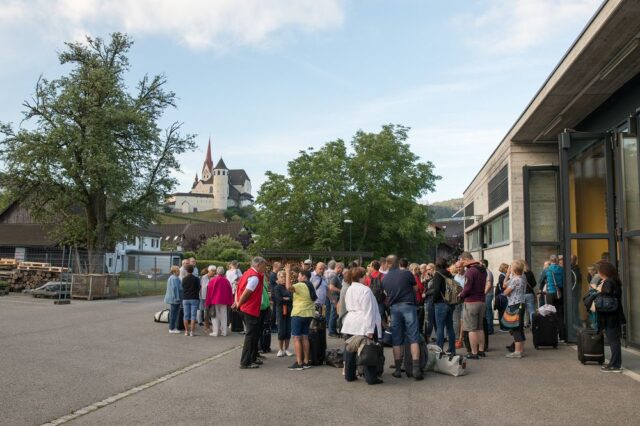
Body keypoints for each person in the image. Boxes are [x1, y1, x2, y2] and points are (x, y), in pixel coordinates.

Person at [382, 255, 423, 380]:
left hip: (394, 309)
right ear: (397, 263)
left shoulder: (384, 278)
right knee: (413, 337)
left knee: (397, 339)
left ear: (387, 264)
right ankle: (415, 369)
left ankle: (398, 369)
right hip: (408, 306)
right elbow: (416, 288)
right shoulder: (406, 274)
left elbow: (386, 294)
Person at [341, 266, 383, 385]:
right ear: (360, 278)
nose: (366, 278)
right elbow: (368, 311)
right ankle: (370, 377)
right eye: (364, 276)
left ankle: (349, 375)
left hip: (350, 322)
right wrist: (370, 329)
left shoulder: (349, 289)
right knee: (368, 350)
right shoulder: (365, 290)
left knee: (350, 350)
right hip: (362, 323)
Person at [232, 257, 267, 369]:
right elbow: (246, 292)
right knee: (251, 336)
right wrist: (238, 304)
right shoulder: (254, 277)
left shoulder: (248, 273)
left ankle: (251, 358)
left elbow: (239, 289)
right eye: (264, 265)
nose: (265, 268)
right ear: (259, 265)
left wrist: (237, 302)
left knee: (252, 335)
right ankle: (245, 362)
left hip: (247, 308)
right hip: (249, 309)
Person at [594, 261, 625, 373]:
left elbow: (605, 297)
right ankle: (614, 363)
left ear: (603, 271)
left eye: (599, 271)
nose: (598, 273)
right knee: (614, 340)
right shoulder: (614, 280)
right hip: (614, 315)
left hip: (611, 316)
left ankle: (615, 365)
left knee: (613, 341)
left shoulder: (608, 282)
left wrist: (598, 290)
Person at [285, 264, 316, 370]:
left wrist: (288, 272)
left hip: (299, 313)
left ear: (303, 276)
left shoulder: (301, 285)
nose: (298, 277)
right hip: (309, 314)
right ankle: (306, 361)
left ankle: (299, 362)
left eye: (299, 276)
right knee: (305, 337)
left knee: (296, 338)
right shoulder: (310, 285)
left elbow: (289, 288)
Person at [459, 252, 487, 359]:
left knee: (471, 329)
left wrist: (461, 295)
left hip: (471, 302)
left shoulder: (470, 271)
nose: (462, 264)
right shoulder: (482, 269)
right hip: (481, 301)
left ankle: (474, 352)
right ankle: (481, 350)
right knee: (480, 327)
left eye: (462, 261)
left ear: (466, 259)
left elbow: (467, 288)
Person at [431, 257, 456, 355]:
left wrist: (434, 300)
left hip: (440, 303)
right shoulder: (449, 273)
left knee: (440, 327)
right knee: (450, 327)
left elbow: (436, 290)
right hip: (450, 303)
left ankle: (439, 350)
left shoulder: (438, 274)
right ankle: (452, 349)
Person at [502, 260, 527, 358]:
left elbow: (505, 291)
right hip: (521, 303)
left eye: (511, 267)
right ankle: (520, 350)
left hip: (514, 304)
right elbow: (505, 284)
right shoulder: (522, 278)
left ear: (514, 269)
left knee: (515, 328)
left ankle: (517, 351)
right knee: (519, 327)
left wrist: (508, 275)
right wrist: (508, 274)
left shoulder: (515, 280)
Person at [206, 266, 233, 337]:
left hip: (214, 301)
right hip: (224, 301)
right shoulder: (226, 281)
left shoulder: (213, 280)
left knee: (215, 316)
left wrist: (208, 301)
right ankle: (224, 332)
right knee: (224, 316)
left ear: (217, 272)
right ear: (223, 272)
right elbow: (230, 291)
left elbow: (209, 292)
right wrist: (231, 301)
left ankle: (216, 332)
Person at [543, 254, 565, 341]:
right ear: (556, 261)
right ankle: (562, 336)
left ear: (550, 260)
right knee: (560, 315)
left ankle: (552, 336)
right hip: (559, 293)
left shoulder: (547, 270)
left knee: (551, 314)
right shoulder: (562, 269)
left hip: (550, 293)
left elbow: (541, 280)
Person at [273, 270, 293, 357]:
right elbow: (278, 299)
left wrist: (285, 298)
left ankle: (287, 349)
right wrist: (286, 298)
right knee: (281, 330)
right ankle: (280, 349)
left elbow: (292, 298)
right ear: (278, 278)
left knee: (288, 330)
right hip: (280, 311)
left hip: (289, 311)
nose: (283, 278)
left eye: (285, 276)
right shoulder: (276, 288)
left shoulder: (289, 287)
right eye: (281, 277)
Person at [181, 264, 201, 336]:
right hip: (194, 298)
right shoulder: (196, 279)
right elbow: (199, 288)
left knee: (186, 316)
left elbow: (183, 287)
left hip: (186, 298)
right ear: (193, 270)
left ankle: (186, 331)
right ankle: (192, 332)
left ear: (186, 270)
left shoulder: (184, 279)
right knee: (193, 316)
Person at [164, 265, 182, 334]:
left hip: (173, 299)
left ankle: (173, 327)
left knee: (173, 313)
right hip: (175, 299)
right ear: (174, 271)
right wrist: (177, 298)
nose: (179, 272)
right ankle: (172, 328)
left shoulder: (172, 278)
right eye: (178, 271)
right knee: (174, 314)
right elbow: (175, 289)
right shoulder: (175, 279)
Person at [327, 262, 344, 337]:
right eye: (342, 269)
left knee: (334, 314)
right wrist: (341, 291)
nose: (342, 271)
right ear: (338, 267)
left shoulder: (334, 275)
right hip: (334, 298)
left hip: (334, 297)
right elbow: (331, 287)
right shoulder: (334, 276)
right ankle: (332, 331)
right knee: (333, 314)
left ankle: (333, 331)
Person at [199, 265, 216, 332]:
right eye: (212, 271)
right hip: (205, 297)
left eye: (215, 271)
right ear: (209, 271)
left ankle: (213, 326)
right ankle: (207, 327)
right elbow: (201, 286)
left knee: (213, 312)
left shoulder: (215, 277)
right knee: (206, 312)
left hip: (213, 297)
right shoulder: (203, 277)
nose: (214, 272)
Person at [411, 263, 425, 337]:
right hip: (418, 299)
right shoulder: (415, 277)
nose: (418, 270)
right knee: (419, 319)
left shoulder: (411, 276)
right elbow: (419, 288)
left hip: (414, 299)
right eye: (417, 269)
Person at [452, 261, 466, 341]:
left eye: (460, 267)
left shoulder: (467, 275)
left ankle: (461, 337)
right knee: (456, 319)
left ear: (463, 266)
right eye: (457, 267)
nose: (458, 269)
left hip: (465, 299)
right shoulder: (456, 276)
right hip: (457, 300)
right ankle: (457, 338)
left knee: (463, 319)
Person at [423, 263, 436, 340]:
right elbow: (426, 288)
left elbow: (434, 289)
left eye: (429, 269)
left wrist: (426, 293)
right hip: (429, 300)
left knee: (431, 319)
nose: (427, 271)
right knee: (430, 319)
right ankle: (429, 336)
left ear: (433, 268)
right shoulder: (430, 277)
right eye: (427, 269)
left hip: (432, 300)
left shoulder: (435, 277)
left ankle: (427, 336)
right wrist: (426, 281)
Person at [522, 261, 537, 327]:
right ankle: (533, 324)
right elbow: (534, 283)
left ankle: (525, 323)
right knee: (531, 310)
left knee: (523, 310)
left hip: (521, 294)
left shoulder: (519, 273)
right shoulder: (530, 273)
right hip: (529, 293)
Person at [495, 263, 509, 332]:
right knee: (502, 312)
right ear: (504, 269)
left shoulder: (503, 276)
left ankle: (504, 327)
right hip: (502, 296)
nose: (508, 269)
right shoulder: (502, 276)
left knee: (503, 311)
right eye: (507, 268)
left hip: (503, 296)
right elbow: (504, 286)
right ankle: (503, 327)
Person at [482, 259, 494, 335]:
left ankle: (489, 329)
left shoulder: (487, 272)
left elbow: (489, 285)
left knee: (487, 312)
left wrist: (483, 294)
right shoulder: (485, 272)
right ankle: (488, 328)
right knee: (487, 311)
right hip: (487, 294)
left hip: (488, 294)